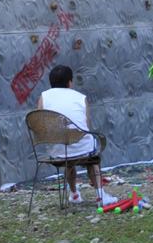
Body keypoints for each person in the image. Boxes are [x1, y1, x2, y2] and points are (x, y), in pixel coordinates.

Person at [38, 64, 117, 206]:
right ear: (70, 82)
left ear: (51, 83)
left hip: (57, 151)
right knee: (92, 155)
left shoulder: (43, 97)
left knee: (68, 150)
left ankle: (74, 194)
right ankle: (100, 195)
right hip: (82, 149)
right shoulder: (81, 98)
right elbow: (86, 126)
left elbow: (40, 126)